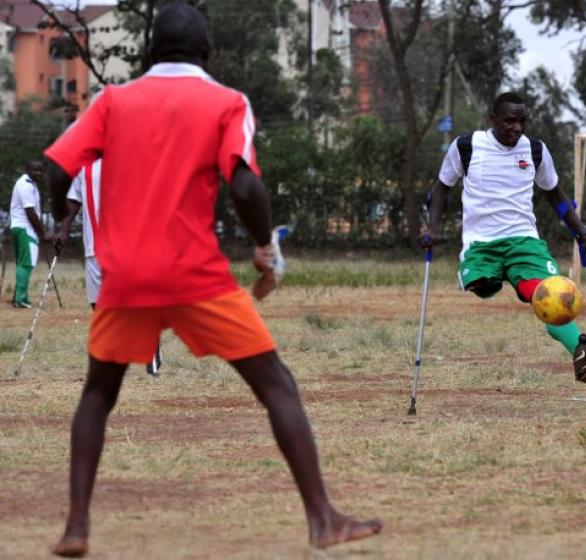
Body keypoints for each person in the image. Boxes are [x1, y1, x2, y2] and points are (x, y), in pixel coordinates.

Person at [43, 4, 381, 557]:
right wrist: (265, 250)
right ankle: (323, 519)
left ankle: (76, 526)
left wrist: (61, 217)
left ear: (151, 50)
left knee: (97, 395)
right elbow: (245, 188)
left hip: (124, 278)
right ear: (208, 51)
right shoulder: (227, 103)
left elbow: (59, 170)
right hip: (196, 275)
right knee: (277, 386)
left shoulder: (112, 102)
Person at [425, 92, 586, 383]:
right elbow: (440, 189)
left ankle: (581, 351)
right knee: (483, 286)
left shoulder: (535, 150)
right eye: (510, 121)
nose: (517, 128)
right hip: (481, 244)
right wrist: (432, 229)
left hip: (523, 242)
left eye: (522, 121)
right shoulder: (467, 146)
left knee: (548, 295)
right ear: (493, 119)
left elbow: (557, 198)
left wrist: (582, 233)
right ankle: (496, 275)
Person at [55, 160, 163, 376]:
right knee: (98, 303)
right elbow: (74, 200)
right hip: (93, 246)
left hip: (125, 245)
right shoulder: (82, 165)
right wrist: (63, 229)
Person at [8, 159, 52, 308]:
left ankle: (22, 296)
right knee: (27, 263)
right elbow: (30, 212)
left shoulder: (29, 184)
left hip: (21, 227)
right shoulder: (25, 185)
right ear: (27, 169)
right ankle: (19, 299)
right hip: (25, 228)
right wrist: (43, 233)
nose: (38, 173)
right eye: (35, 170)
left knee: (23, 263)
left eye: (40, 170)